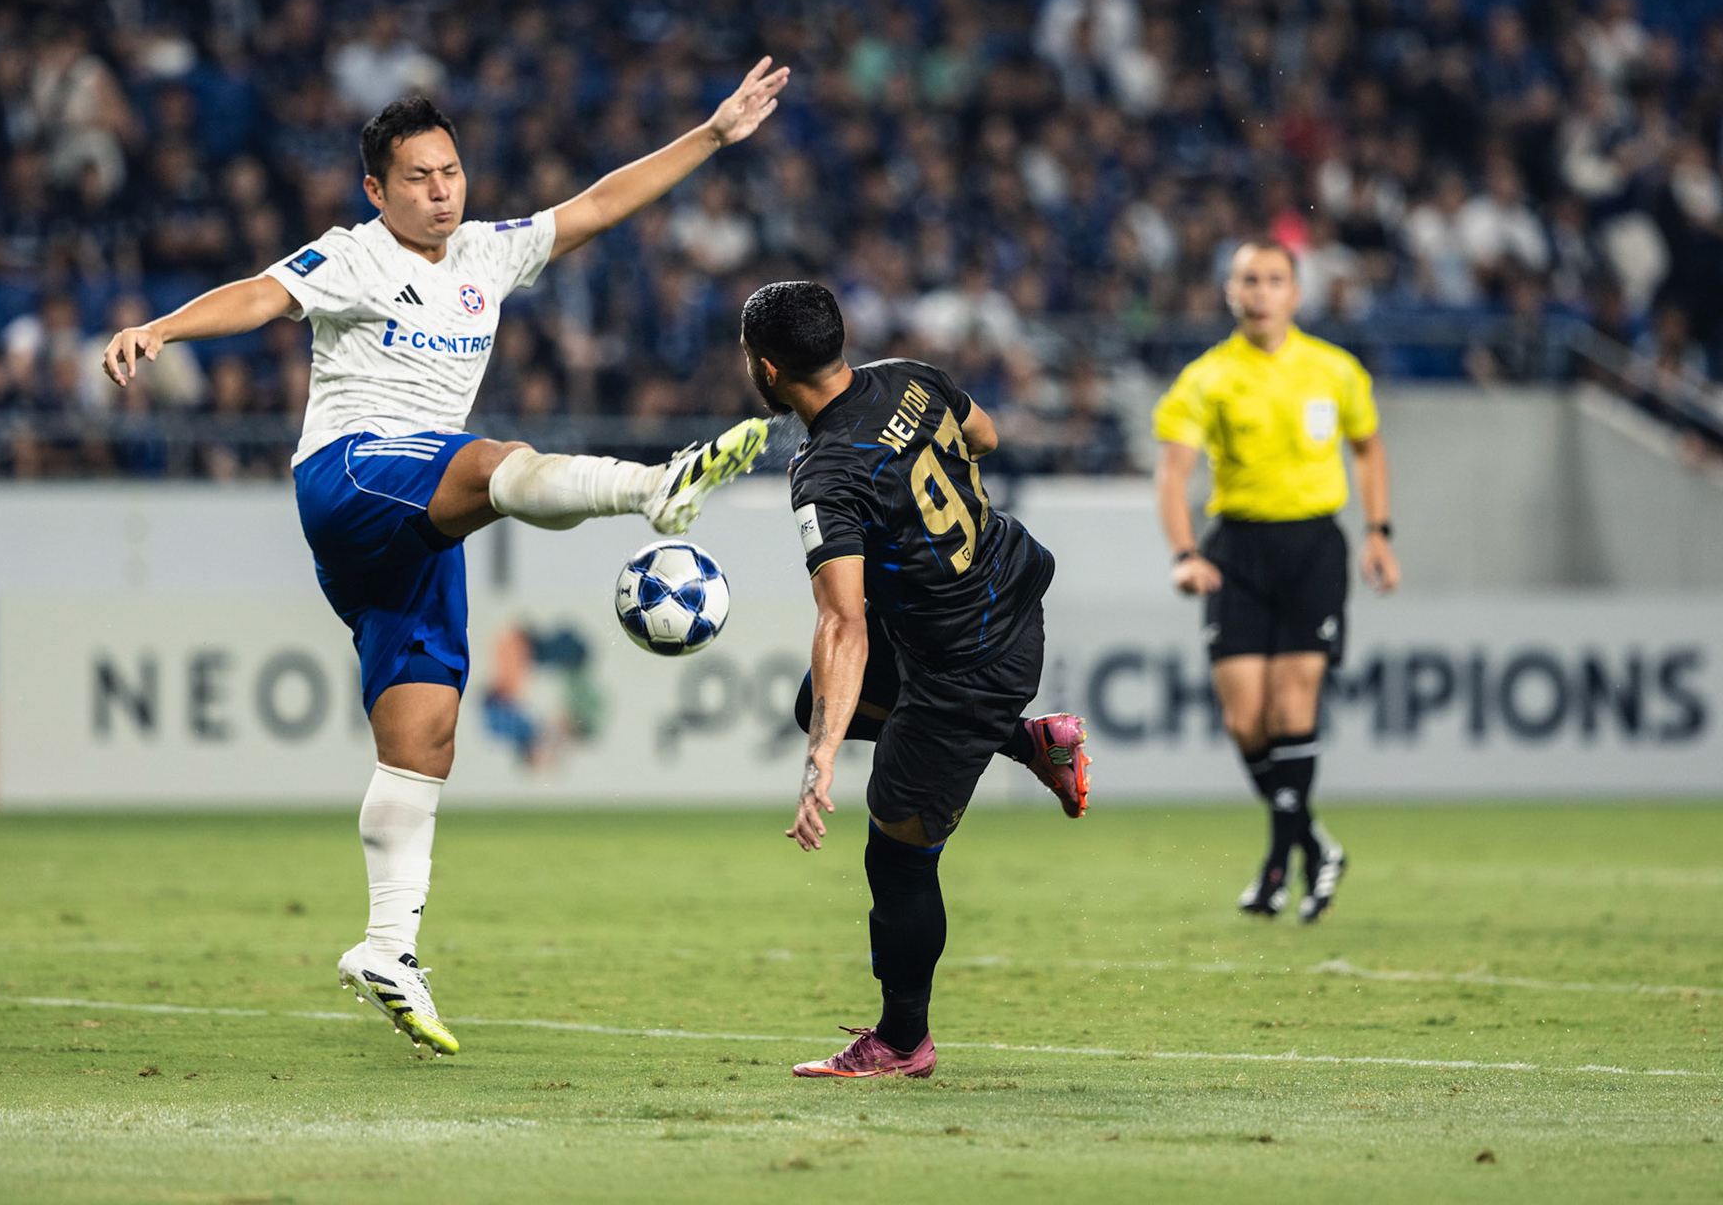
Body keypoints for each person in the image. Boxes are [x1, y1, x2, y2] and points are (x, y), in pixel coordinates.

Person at [99, 61, 790, 1057]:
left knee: (422, 737)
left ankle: (387, 946)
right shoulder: (350, 257)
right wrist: (160, 328)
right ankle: (652, 489)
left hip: (417, 526)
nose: (441, 190)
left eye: (451, 171)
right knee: (492, 461)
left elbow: (601, 203)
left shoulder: (489, 252)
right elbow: (258, 295)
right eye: (418, 177)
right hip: (353, 475)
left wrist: (715, 134)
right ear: (376, 189)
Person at [742, 280, 1091, 1081]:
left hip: (967, 665)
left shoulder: (825, 472)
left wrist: (819, 762)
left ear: (767, 370)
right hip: (998, 597)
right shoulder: (909, 374)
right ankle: (1033, 744)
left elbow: (843, 623)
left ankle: (903, 1042)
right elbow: (989, 436)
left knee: (896, 855)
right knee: (816, 700)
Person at [1152, 239, 1401, 923]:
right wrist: (1183, 552)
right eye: (1247, 281)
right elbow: (1173, 473)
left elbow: (1369, 447)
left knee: (1292, 711)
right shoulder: (1206, 378)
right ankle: (1315, 845)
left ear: (1295, 292)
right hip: (1236, 548)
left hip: (1313, 546)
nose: (1259, 292)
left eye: (1272, 280)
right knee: (1243, 719)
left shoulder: (1334, 370)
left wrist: (1379, 532)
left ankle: (1276, 864)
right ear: (1230, 294)